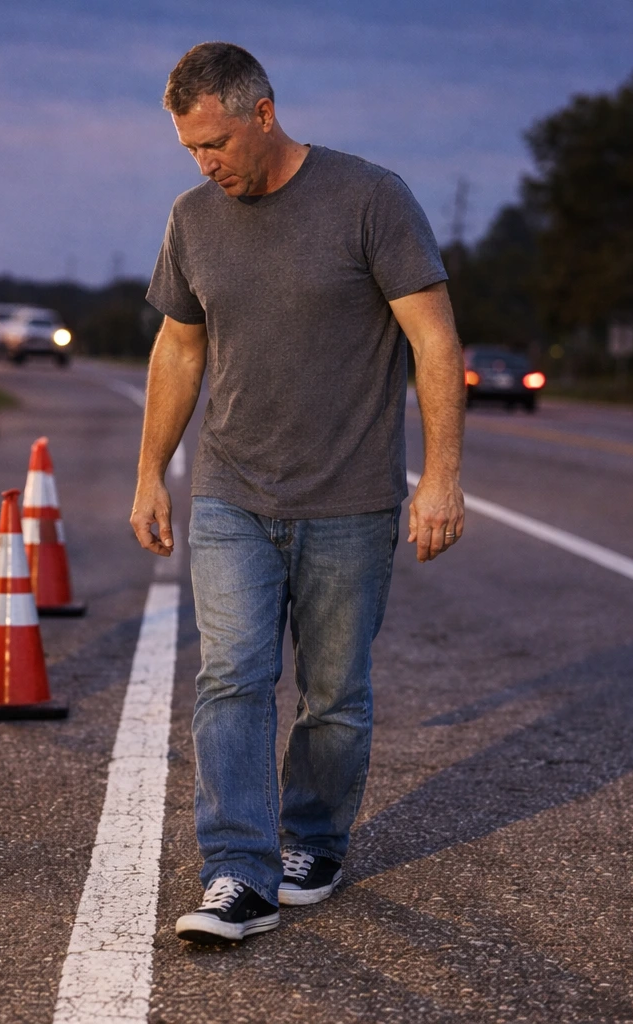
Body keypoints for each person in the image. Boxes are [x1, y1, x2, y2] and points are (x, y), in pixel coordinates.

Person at [130, 43, 466, 944]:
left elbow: (435, 343)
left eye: (216, 143)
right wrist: (150, 473)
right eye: (190, 150)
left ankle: (312, 840)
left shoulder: (370, 198)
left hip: (351, 500)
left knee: (333, 694)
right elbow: (179, 348)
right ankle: (239, 871)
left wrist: (440, 477)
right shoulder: (193, 217)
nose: (207, 164)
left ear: (263, 113)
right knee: (232, 678)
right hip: (233, 491)